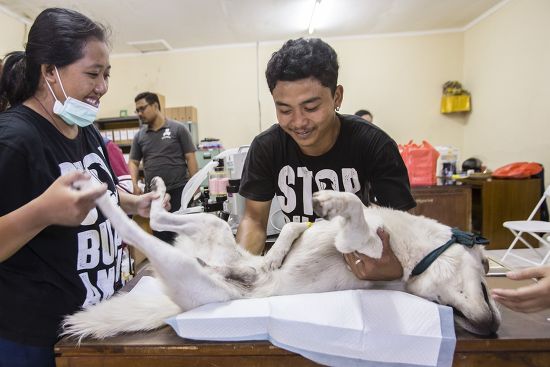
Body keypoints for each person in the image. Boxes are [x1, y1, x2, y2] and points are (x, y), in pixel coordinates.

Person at [0, 8, 164, 367]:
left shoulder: (84, 128)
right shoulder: (14, 140)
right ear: (49, 72)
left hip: (90, 323)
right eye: (92, 74)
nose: (103, 87)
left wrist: (134, 204)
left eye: (106, 74)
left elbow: (99, 191)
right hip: (34, 339)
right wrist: (42, 212)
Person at [236, 38, 415, 281]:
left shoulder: (373, 144)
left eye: (311, 107)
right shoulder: (266, 147)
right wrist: (242, 272)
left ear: (337, 96)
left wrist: (391, 267)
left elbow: (405, 227)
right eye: (285, 110)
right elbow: (254, 220)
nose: (298, 122)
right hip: (301, 267)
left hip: (359, 270)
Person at [129, 92, 198, 244]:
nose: (139, 113)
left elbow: (190, 157)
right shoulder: (139, 136)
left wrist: (195, 187)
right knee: (161, 237)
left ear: (155, 105)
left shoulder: (178, 129)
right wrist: (133, 184)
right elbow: (133, 161)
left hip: (179, 192)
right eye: (137, 110)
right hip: (155, 196)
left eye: (142, 108)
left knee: (182, 238)